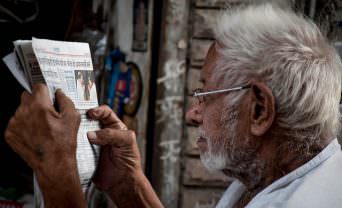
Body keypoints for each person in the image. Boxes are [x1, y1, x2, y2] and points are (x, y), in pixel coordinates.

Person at [5, 4, 342, 208]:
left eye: (205, 94)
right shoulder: (272, 175)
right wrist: (128, 184)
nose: (192, 113)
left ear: (259, 111)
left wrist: (58, 175)